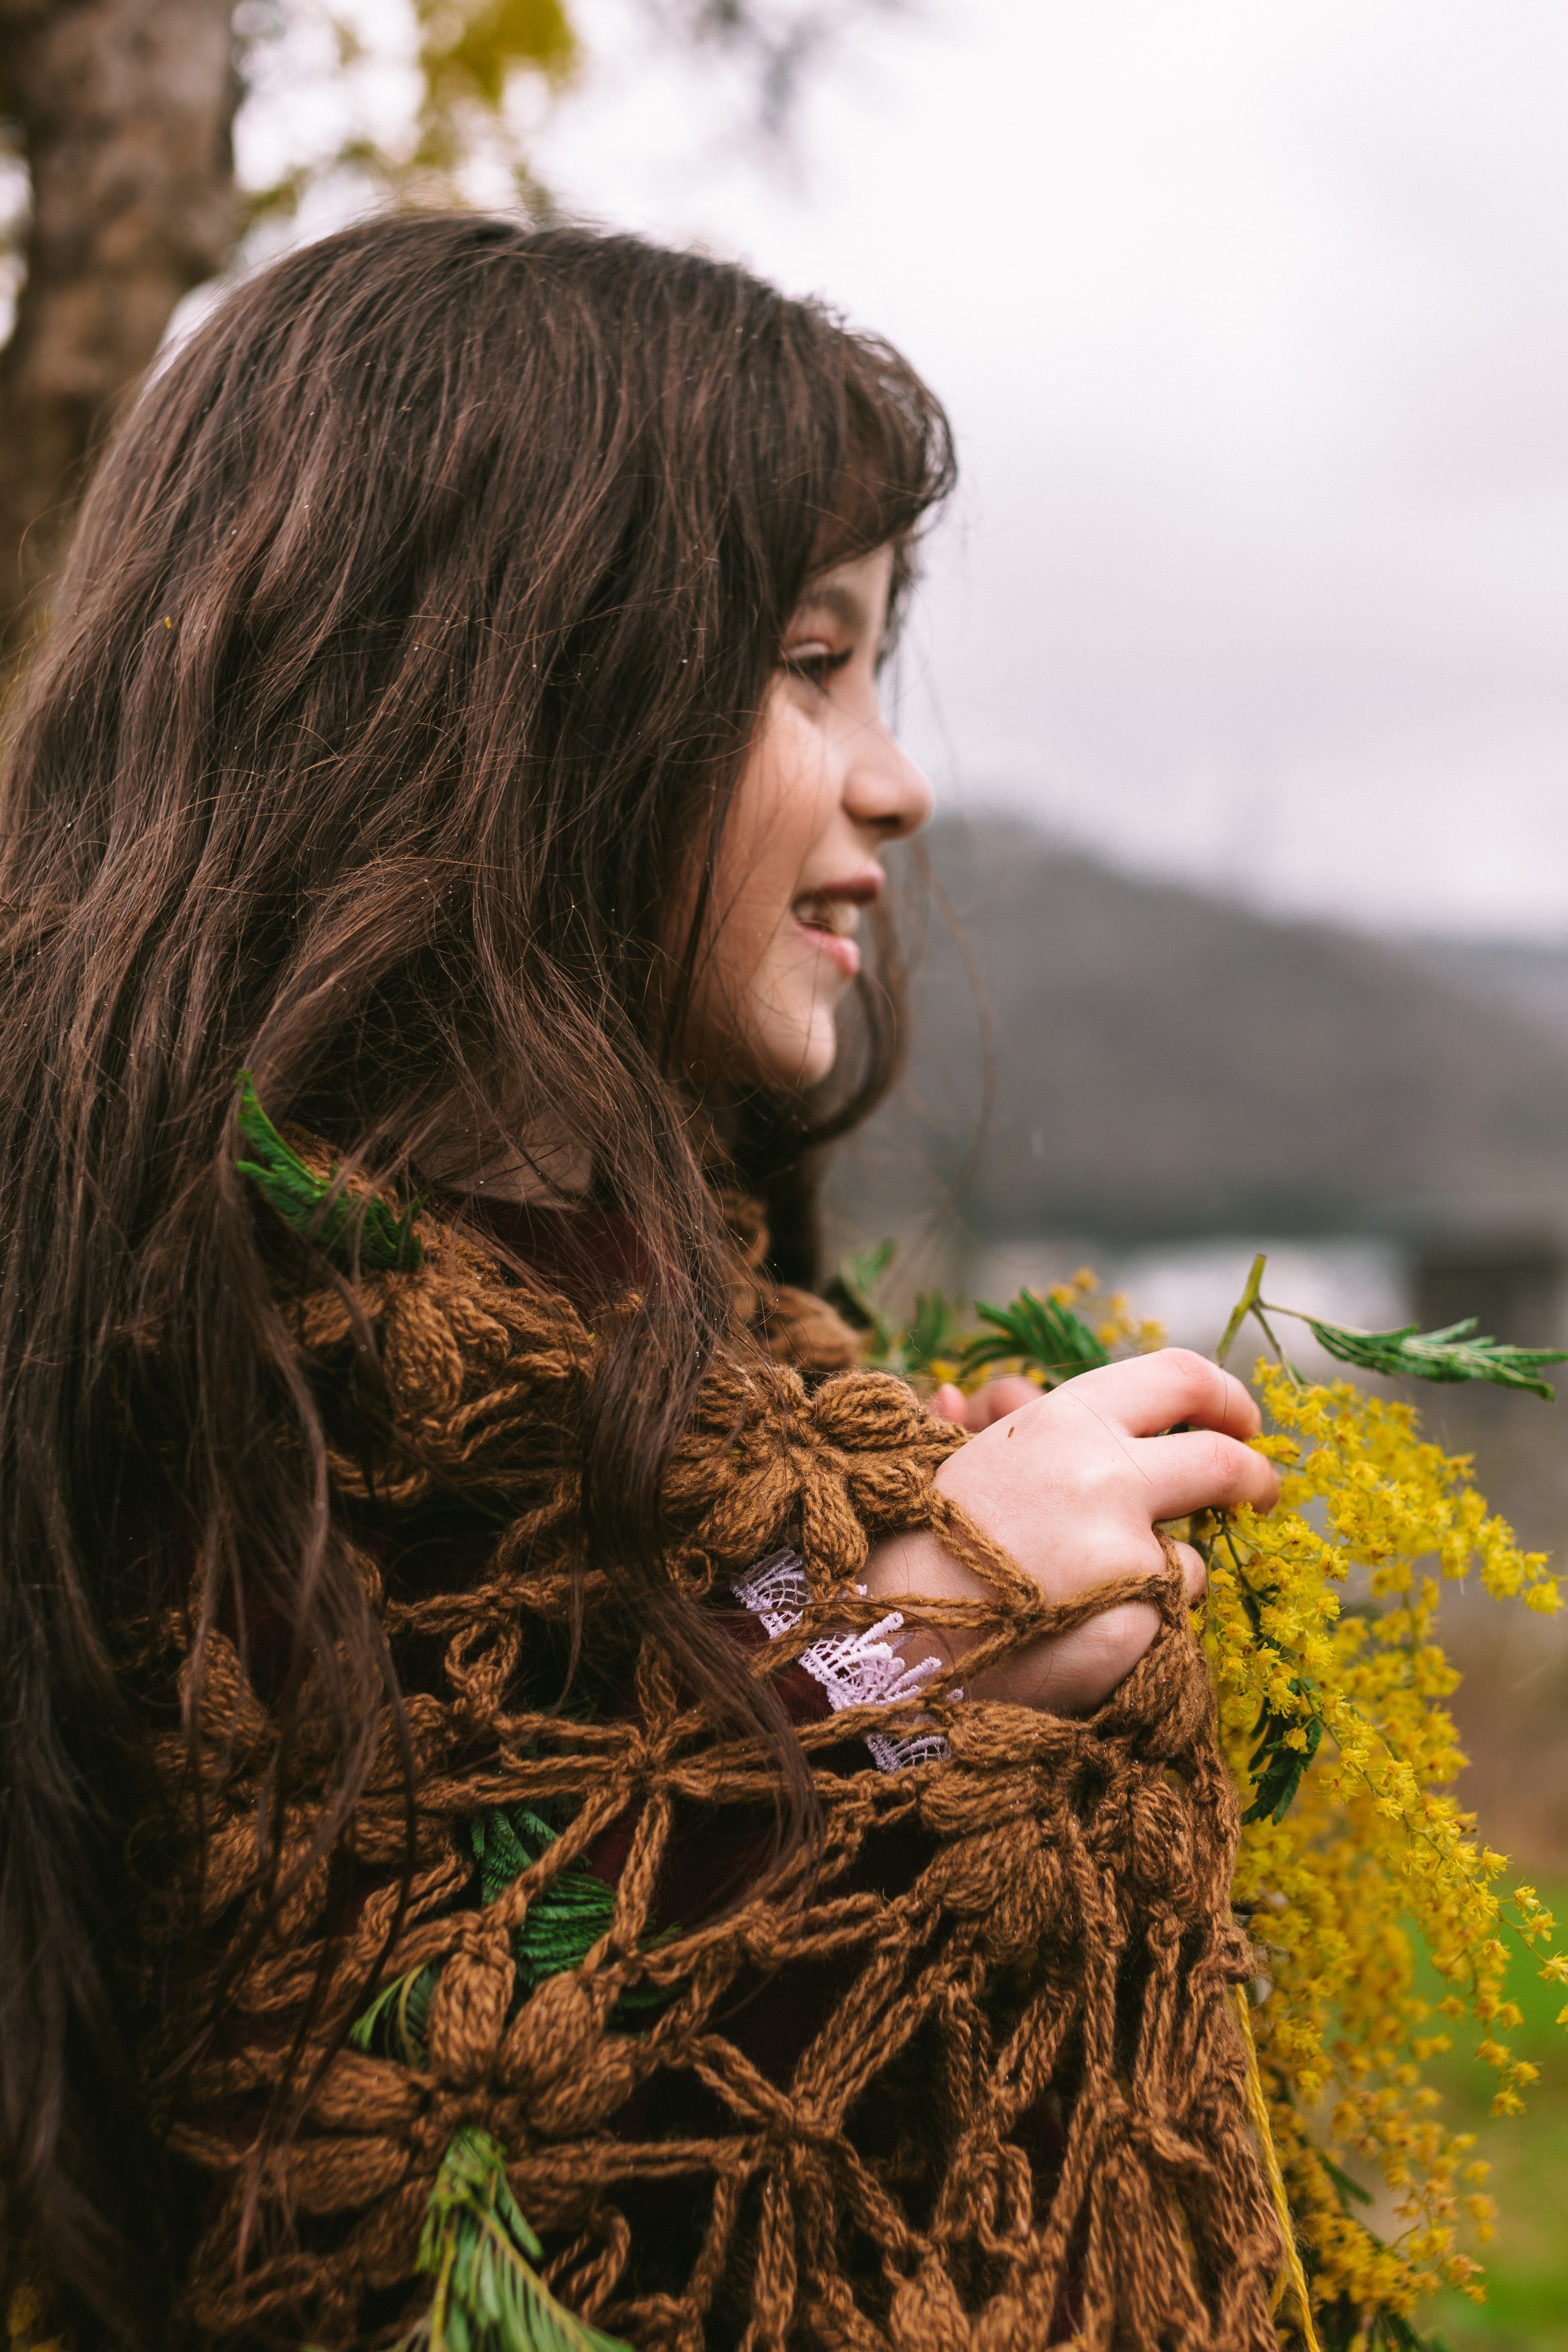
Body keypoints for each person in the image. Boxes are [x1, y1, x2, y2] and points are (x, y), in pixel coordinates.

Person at [0, 215, 1283, 2352]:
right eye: (809, 663)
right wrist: (938, 1631)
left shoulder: (709, 1337)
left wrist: (872, 1557)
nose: (899, 772)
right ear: (506, 695)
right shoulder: (215, 1351)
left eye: (880, 665)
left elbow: (728, 1700)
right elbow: (382, 2160)